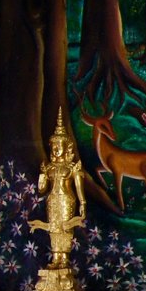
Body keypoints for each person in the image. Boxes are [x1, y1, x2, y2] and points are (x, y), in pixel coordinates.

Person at [29, 110, 86, 271]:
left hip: (66, 200)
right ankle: (56, 257)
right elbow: (42, 189)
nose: (55, 149)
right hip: (52, 200)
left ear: (66, 147)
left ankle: (64, 258)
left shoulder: (72, 167)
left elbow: (79, 187)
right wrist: (42, 176)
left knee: (65, 227)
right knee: (54, 227)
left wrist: (83, 203)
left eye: (59, 146)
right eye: (53, 146)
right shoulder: (49, 168)